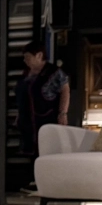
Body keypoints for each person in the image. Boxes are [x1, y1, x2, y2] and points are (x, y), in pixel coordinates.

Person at [18, 44, 69, 190]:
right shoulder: (26, 73)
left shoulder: (54, 72)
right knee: (32, 148)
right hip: (28, 118)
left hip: (47, 116)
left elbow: (65, 91)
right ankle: (34, 180)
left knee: (47, 147)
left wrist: (63, 113)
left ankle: (48, 182)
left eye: (28, 57)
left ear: (39, 55)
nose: (25, 60)